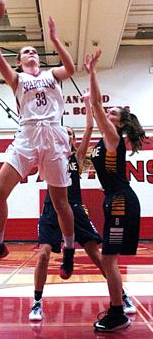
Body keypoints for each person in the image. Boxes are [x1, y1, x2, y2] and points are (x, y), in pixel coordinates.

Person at [0, 13, 75, 277]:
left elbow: (72, 68)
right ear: (19, 62)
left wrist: (54, 39)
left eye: (34, 51)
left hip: (53, 134)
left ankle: (69, 250)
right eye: (25, 52)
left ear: (38, 59)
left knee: (60, 202)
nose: (31, 53)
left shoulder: (52, 74)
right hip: (27, 135)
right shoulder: (17, 79)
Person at [29, 95, 136, 321]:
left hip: (75, 209)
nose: (66, 135)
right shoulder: (48, 154)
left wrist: (88, 104)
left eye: (70, 133)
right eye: (63, 132)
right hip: (52, 209)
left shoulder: (77, 157)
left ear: (73, 140)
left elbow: (89, 126)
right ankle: (37, 302)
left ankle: (122, 295)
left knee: (97, 255)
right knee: (43, 255)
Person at [84, 49, 146, 332]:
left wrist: (92, 71)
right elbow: (93, 110)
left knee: (108, 259)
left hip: (121, 202)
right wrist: (89, 106)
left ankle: (118, 312)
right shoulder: (102, 140)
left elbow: (97, 104)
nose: (107, 113)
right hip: (116, 201)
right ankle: (118, 308)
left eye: (113, 113)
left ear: (119, 123)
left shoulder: (113, 137)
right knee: (109, 259)